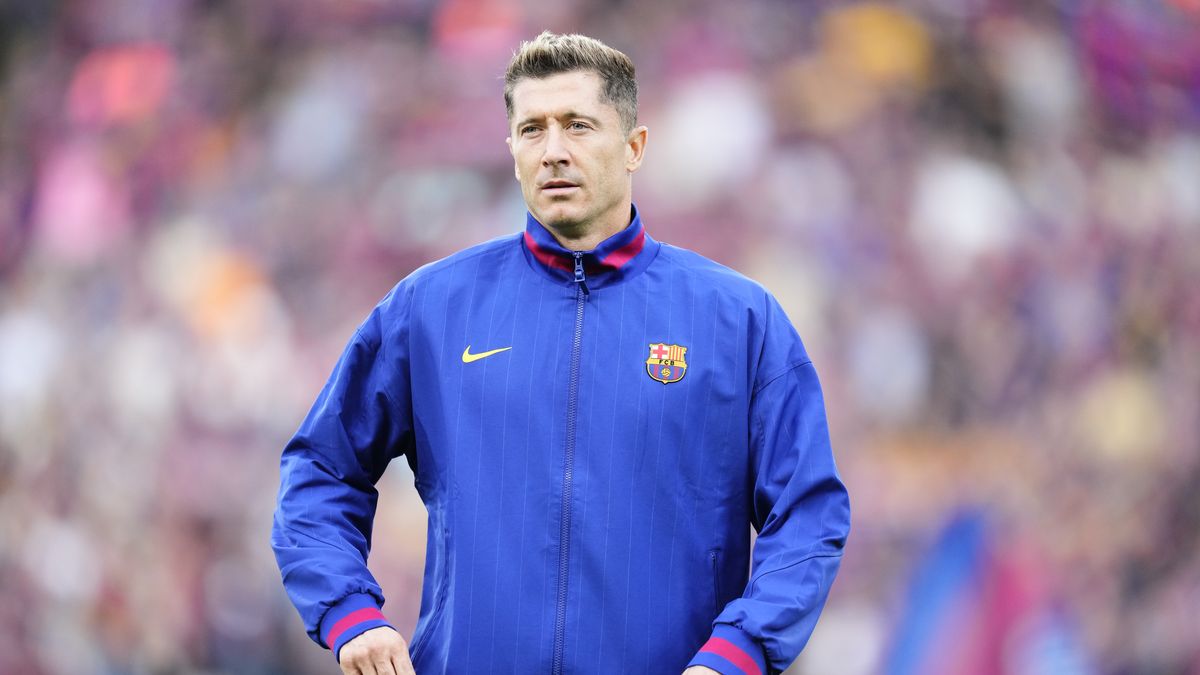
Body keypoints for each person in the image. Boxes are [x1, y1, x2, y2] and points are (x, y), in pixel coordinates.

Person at [272, 31, 850, 675]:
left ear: (634, 148)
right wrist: (351, 616)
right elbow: (320, 471)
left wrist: (739, 651)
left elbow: (808, 513)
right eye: (532, 130)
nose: (553, 151)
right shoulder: (431, 308)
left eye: (578, 126)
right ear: (512, 151)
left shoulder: (739, 319)